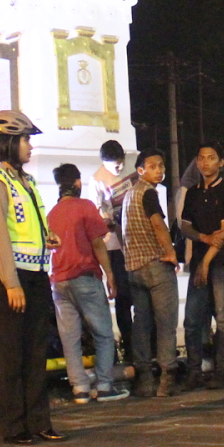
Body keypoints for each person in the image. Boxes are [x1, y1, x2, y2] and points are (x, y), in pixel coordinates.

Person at [0, 110, 63, 444]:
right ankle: (14, 426)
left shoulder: (25, 183)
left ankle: (39, 421)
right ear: (9, 144)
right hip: (11, 278)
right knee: (12, 354)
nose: (30, 146)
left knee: (35, 353)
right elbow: (0, 237)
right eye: (26, 140)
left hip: (37, 274)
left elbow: (26, 226)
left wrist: (48, 237)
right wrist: (11, 283)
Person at [49, 163, 127, 404]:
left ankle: (79, 388)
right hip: (85, 276)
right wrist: (110, 274)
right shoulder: (85, 207)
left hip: (59, 281)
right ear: (77, 182)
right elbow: (97, 242)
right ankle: (104, 385)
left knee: (70, 337)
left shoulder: (51, 213)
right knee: (103, 334)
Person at [179, 143, 224, 389]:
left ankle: (222, 371)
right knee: (192, 319)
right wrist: (203, 238)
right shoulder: (193, 193)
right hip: (199, 261)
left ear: (221, 162)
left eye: (211, 158)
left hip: (223, 263)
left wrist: (206, 261)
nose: (206, 163)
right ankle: (194, 370)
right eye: (202, 158)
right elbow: (185, 226)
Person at [123, 150, 179, 398]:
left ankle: (144, 379)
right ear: (140, 170)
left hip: (134, 268)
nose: (159, 170)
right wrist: (170, 252)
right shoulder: (148, 193)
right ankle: (167, 378)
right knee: (166, 323)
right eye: (152, 166)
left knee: (142, 325)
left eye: (161, 165)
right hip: (155, 265)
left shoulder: (128, 195)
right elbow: (158, 223)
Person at [91, 139, 136, 366]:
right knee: (122, 297)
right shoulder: (98, 179)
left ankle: (142, 343)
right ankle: (128, 344)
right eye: (113, 165)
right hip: (115, 245)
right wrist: (107, 220)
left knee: (140, 294)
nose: (118, 169)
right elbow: (98, 211)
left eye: (120, 164)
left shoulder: (132, 168)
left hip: (136, 240)